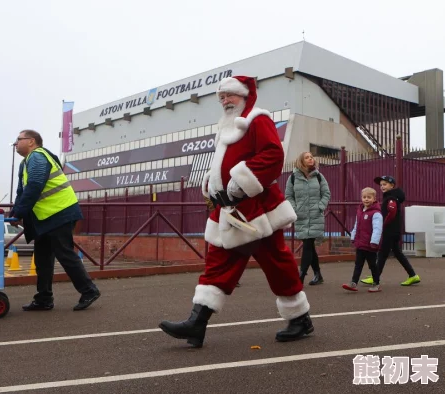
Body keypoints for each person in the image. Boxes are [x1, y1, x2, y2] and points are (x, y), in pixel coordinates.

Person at [159, 76, 313, 348]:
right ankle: (197, 323)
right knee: (219, 262)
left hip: (257, 210)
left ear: (243, 95)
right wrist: (212, 180)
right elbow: (224, 162)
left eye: (229, 95)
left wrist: (241, 181)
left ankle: (299, 318)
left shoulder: (257, 119)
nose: (225, 101)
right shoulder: (226, 126)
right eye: (221, 97)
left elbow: (273, 155)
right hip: (230, 210)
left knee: (276, 263)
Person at [11, 129, 101, 311]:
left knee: (64, 253)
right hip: (46, 217)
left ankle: (89, 290)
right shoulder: (26, 162)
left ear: (31, 141)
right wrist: (15, 212)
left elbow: (36, 184)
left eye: (18, 139)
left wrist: (19, 212)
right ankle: (44, 298)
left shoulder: (37, 156)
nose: (15, 143)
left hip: (59, 213)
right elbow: (22, 191)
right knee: (43, 260)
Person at [360, 176, 420, 286]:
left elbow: (391, 213)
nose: (382, 186)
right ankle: (413, 275)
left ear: (392, 185)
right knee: (397, 253)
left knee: (382, 253)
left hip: (390, 231)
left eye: (385, 184)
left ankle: (375, 276)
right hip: (394, 230)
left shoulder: (391, 198)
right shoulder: (391, 196)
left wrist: (383, 224)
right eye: (381, 185)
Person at [284, 152, 331, 285]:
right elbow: (288, 196)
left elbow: (326, 193)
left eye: (311, 157)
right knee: (309, 245)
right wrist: (295, 208)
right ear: (301, 161)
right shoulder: (293, 177)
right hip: (301, 216)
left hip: (316, 215)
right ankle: (318, 275)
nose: (311, 158)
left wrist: (320, 206)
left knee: (308, 245)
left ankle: (301, 276)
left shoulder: (319, 176)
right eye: (307, 157)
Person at [342, 187, 382, 293]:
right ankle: (354, 283)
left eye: (369, 197)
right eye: (364, 197)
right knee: (358, 264)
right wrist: (353, 236)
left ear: (374, 199)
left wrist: (374, 242)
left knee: (372, 265)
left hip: (370, 245)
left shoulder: (376, 213)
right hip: (360, 244)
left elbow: (377, 229)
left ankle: (376, 283)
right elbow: (356, 225)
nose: (366, 199)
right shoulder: (360, 211)